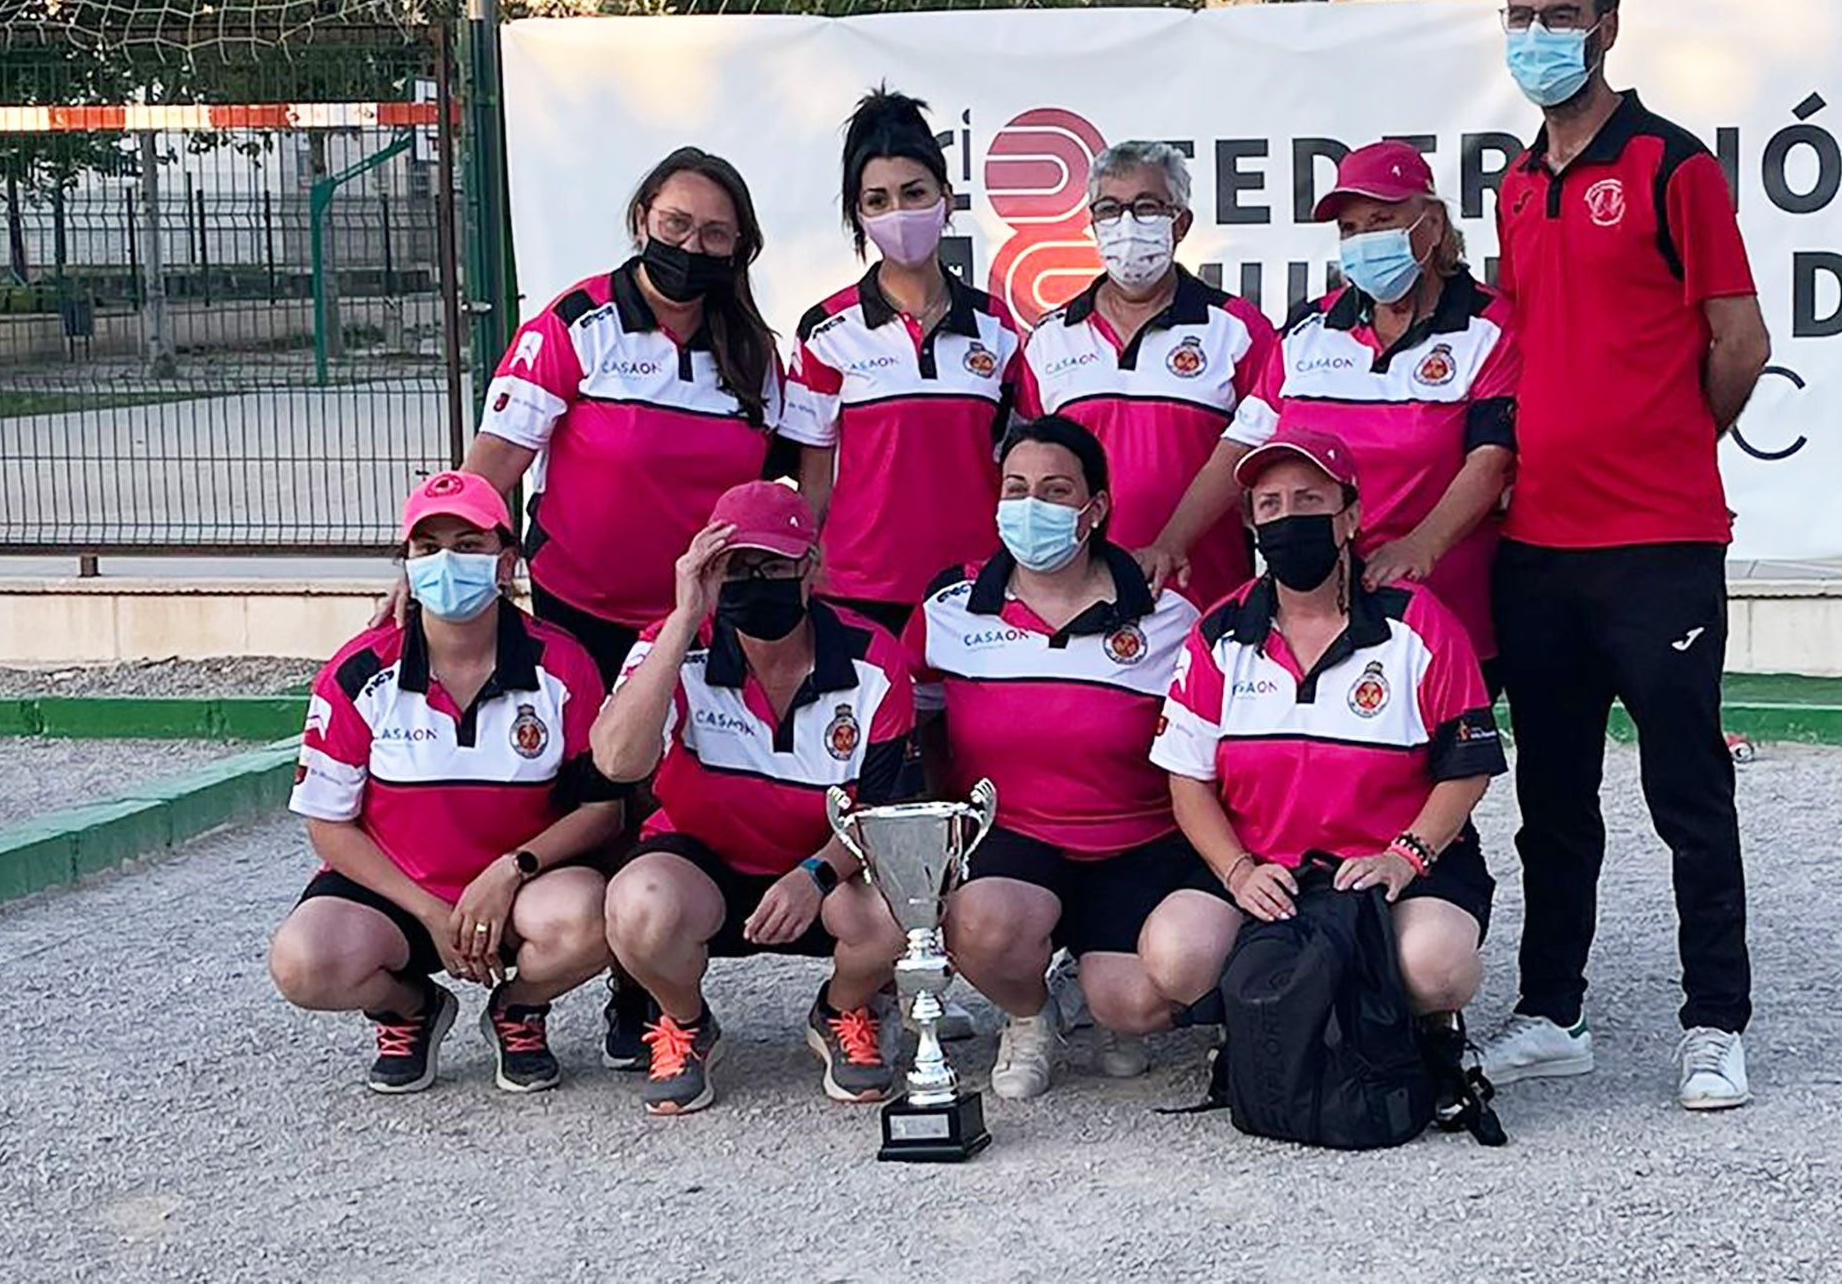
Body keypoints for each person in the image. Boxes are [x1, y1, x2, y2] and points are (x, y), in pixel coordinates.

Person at [1477, 0, 1771, 1111]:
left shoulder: (1670, 167)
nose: (1532, 35)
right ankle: (1553, 1008)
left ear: (1603, 28)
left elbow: (1738, 342)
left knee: (1685, 791)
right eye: (1516, 16)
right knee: (1550, 797)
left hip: (1655, 545)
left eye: (1555, 15)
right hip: (1533, 545)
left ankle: (1716, 1021)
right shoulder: (1510, 179)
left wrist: (1661, 442)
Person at [468, 145, 785, 1065]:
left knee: (668, 803)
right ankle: (566, 977)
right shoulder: (576, 323)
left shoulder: (756, 357)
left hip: (702, 620)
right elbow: (496, 459)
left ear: (740, 248)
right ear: (643, 216)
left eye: (716, 233)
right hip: (585, 614)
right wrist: (424, 568)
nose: (693, 244)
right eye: (678, 223)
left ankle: (643, 989)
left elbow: (784, 489)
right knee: (601, 795)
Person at [1137, 426, 1507, 1079]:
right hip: (1265, 864)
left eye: (1310, 501)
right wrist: (1237, 872)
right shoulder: (1217, 634)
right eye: (1270, 505)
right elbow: (1186, 781)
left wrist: (1405, 856)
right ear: (1250, 521)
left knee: (1438, 967)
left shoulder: (1416, 623)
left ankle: (1420, 1023)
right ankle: (1268, 1025)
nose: (1289, 518)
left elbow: (1467, 765)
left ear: (1352, 515)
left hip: (1389, 863)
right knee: (1173, 955)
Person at [268, 471, 620, 1095]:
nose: (446, 563)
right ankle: (410, 1009)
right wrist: (431, 911)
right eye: (427, 549)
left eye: (468, 545)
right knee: (302, 963)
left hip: (519, 887)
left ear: (506, 561)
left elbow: (603, 811)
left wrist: (509, 871)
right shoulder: (357, 671)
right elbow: (327, 823)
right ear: (406, 565)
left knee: (595, 917)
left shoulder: (562, 665)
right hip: (401, 894)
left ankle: (519, 1008)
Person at [589, 480, 915, 1117]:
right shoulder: (674, 644)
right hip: (702, 865)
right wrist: (684, 620)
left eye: (772, 564)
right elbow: (616, 761)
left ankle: (843, 1011)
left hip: (825, 870)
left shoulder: (874, 658)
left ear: (811, 566)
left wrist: (817, 873)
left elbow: (883, 812)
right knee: (635, 904)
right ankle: (685, 1024)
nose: (753, 579)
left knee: (906, 907)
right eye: (734, 566)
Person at [904, 415, 1204, 1099]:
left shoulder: (1170, 618)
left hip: (1139, 839)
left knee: (1132, 1003)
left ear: (1095, 509)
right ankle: (1028, 1014)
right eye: (1016, 488)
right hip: (1013, 835)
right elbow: (915, 731)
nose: (1030, 506)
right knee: (980, 924)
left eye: (1055, 490)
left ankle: (1094, 989)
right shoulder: (950, 606)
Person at [1174, 139, 1520, 676]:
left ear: (1430, 223)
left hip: (1443, 615)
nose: (1363, 241)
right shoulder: (1308, 329)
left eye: (1382, 220)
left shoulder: (1489, 324)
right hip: (1312, 610)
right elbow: (1240, 446)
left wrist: (1420, 547)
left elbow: (1492, 458)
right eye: (1350, 230)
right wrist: (1171, 543)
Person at [783, 88, 1022, 634]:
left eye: (914, 193)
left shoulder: (999, 326)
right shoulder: (825, 330)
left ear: (947, 199)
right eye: (878, 200)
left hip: (976, 588)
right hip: (856, 593)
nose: (899, 213)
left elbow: (1013, 466)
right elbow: (814, 484)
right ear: (858, 215)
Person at [1016, 141, 1278, 610]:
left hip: (1207, 602)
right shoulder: (1050, 338)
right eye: (1110, 209)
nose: (1127, 224)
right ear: (1093, 226)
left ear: (1181, 223)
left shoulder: (1237, 329)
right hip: (1079, 607)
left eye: (1147, 207)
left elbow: (1269, 456)